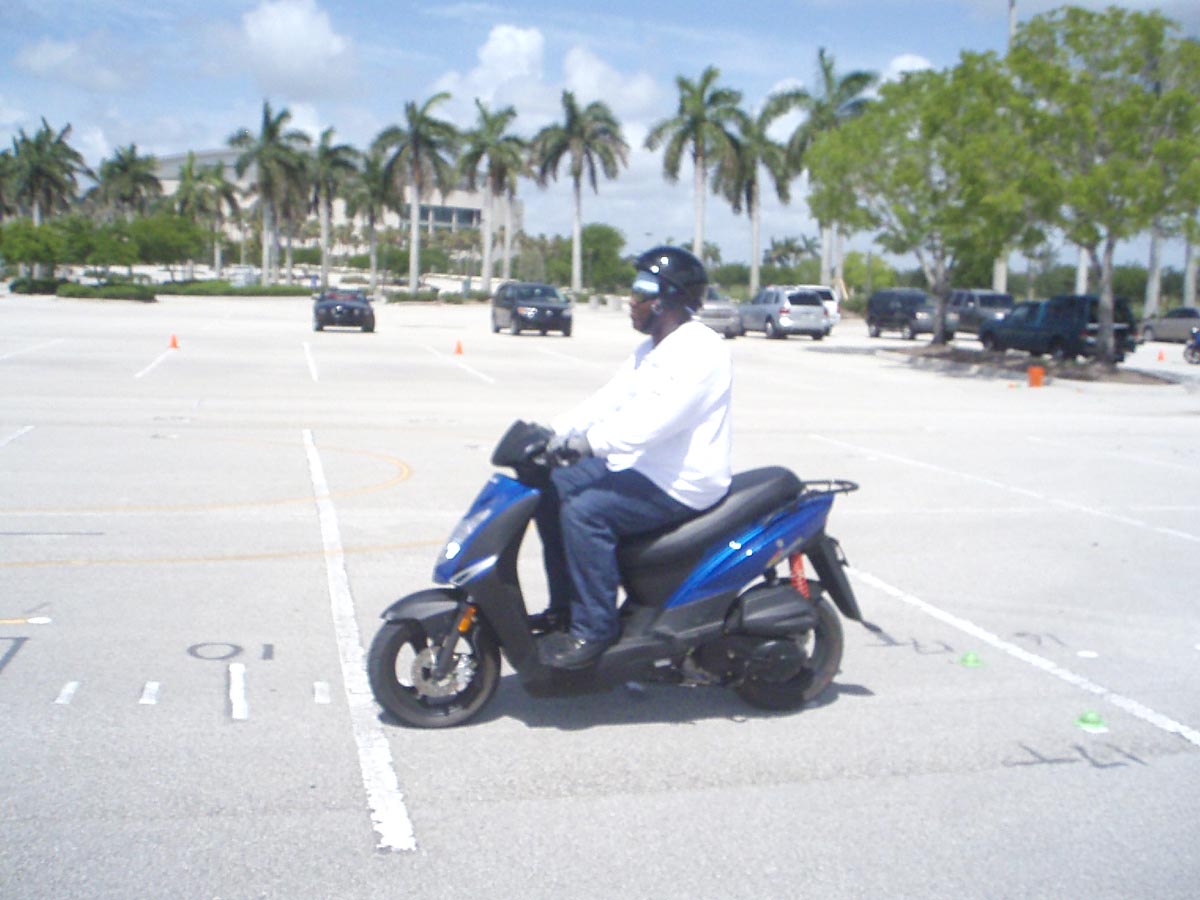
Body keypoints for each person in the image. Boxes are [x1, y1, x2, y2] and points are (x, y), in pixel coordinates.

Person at [532, 245, 733, 669]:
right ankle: (565, 607)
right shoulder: (651, 350)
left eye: (641, 290)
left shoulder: (702, 351)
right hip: (644, 470)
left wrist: (589, 444)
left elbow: (655, 422)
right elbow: (608, 400)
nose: (631, 299)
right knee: (551, 485)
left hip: (683, 482)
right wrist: (553, 431)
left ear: (666, 299)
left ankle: (595, 628)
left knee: (585, 513)